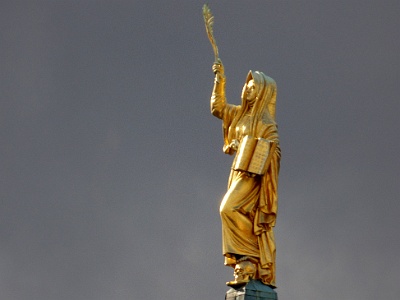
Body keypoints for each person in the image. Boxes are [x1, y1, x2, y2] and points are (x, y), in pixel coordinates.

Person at [210, 59, 281, 288]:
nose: (249, 90)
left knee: (227, 208)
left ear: (263, 93)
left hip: (253, 175)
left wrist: (250, 148)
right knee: (231, 209)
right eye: (247, 86)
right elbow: (218, 109)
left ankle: (252, 252)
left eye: (254, 88)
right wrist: (220, 81)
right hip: (237, 171)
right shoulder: (239, 114)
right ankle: (246, 258)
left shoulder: (267, 124)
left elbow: (274, 151)